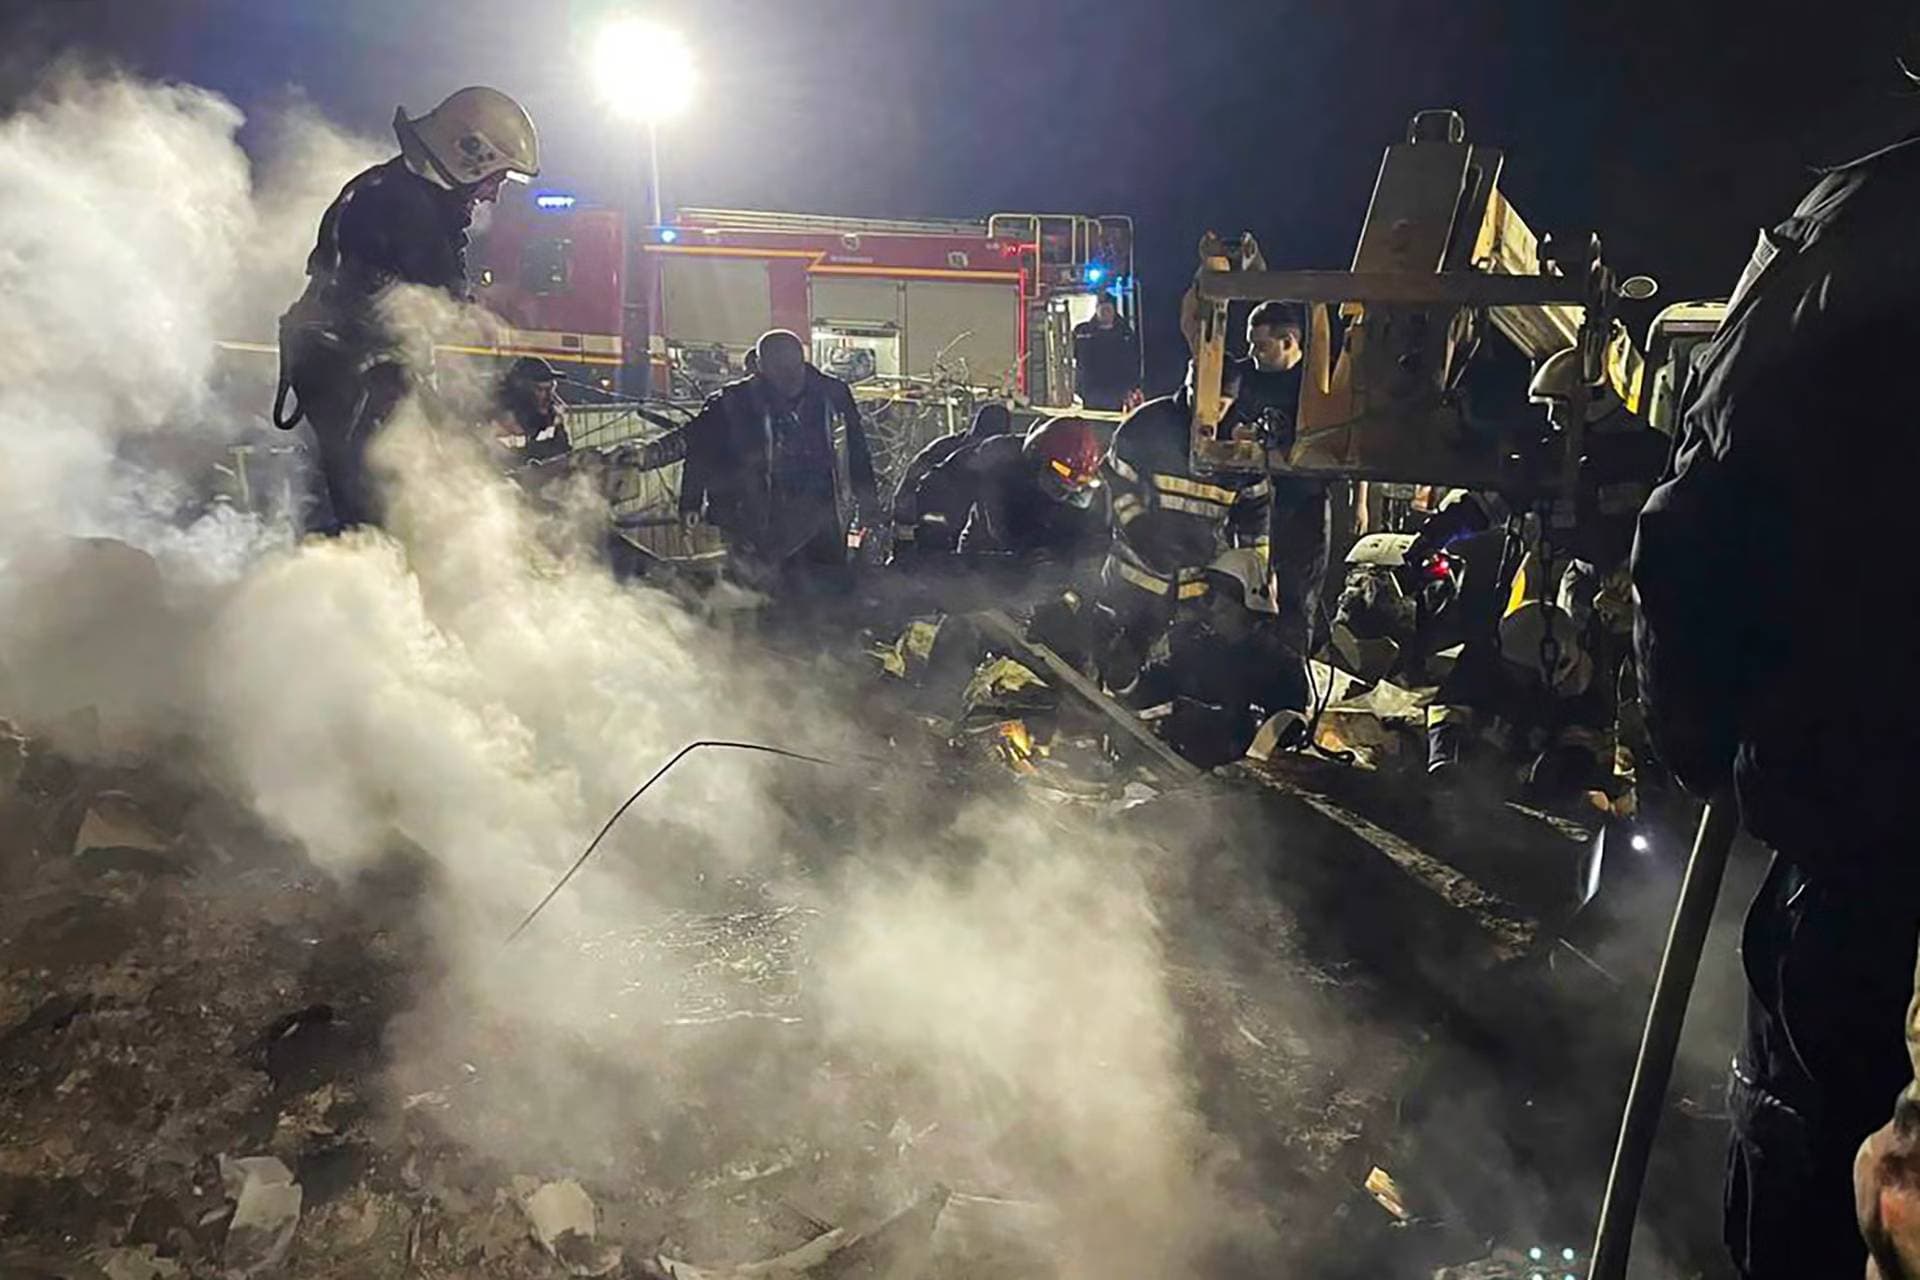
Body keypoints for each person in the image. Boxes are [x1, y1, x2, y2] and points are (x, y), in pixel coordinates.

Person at [1629, 133, 1920, 1280]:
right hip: (1866, 796)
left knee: (1817, 1156)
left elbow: (1692, 531)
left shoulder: (1857, 232)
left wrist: (1706, 744)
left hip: (1865, 821)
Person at [274, 87, 539, 532]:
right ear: (467, 154)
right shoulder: (395, 204)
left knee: (400, 504)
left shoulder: (417, 203)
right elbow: (410, 306)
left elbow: (432, 307)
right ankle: (350, 590)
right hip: (350, 378)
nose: (493, 195)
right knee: (374, 514)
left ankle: (368, 582)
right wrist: (499, 369)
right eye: (495, 179)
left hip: (365, 374)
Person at [1100, 358, 1304, 764]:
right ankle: (1113, 736)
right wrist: (1138, 527)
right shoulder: (1149, 424)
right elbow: (1117, 480)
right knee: (1120, 660)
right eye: (1207, 401)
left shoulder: (1241, 446)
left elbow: (1255, 514)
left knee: (1186, 668)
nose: (1215, 414)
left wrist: (1252, 582)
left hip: (1195, 584)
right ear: (1188, 387)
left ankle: (1166, 743)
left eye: (1226, 403)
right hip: (1135, 578)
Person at [677, 329, 879, 599]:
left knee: (825, 594)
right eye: (776, 367)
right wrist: (690, 502)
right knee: (760, 597)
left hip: (822, 516)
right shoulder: (735, 401)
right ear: (760, 366)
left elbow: (855, 449)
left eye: (789, 367)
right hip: (755, 520)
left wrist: (868, 504)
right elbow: (701, 450)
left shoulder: (833, 395)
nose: (784, 376)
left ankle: (821, 635)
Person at [1247, 300, 1333, 687]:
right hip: (1254, 504)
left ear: (1289, 341)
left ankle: (1292, 690)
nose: (1252, 354)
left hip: (1304, 504)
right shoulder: (1246, 379)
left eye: (1261, 346)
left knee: (1297, 599)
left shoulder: (1316, 386)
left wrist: (1361, 501)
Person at [889, 403, 1012, 559]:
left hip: (978, 550)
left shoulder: (1006, 462)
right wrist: (904, 541)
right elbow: (907, 490)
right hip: (934, 536)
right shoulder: (943, 451)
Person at [489, 356, 570, 464]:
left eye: (551, 389)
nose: (548, 396)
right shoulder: (494, 422)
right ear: (521, 392)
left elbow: (565, 455)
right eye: (541, 390)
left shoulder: (554, 421)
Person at [1072, 295, 1140, 411]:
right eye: (1102, 309)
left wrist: (1133, 387)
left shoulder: (1125, 333)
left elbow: (1133, 360)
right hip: (1091, 391)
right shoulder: (1083, 332)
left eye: (1108, 309)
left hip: (1117, 390)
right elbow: (1075, 355)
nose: (1106, 313)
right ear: (1096, 310)